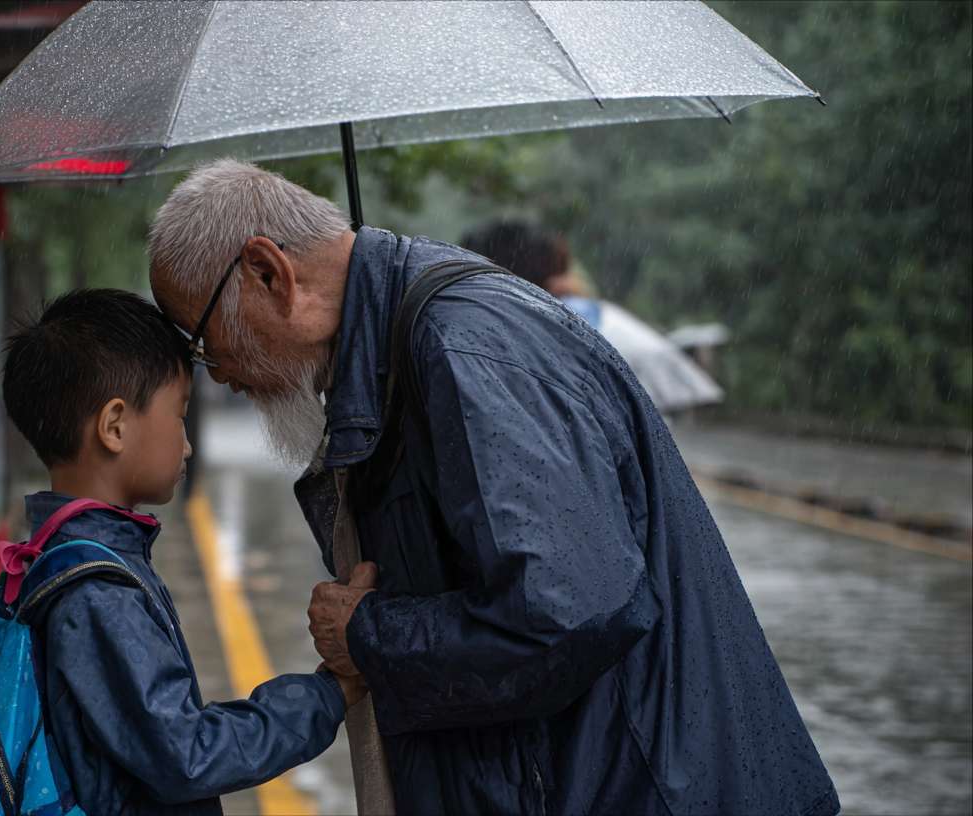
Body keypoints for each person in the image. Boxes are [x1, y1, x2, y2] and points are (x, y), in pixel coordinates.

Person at [147, 159, 839, 816]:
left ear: (269, 273)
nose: (217, 373)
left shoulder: (463, 348)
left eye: (203, 341)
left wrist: (367, 633)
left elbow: (567, 613)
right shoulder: (404, 344)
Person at [1, 288, 364, 815]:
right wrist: (327, 694)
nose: (188, 444)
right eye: (180, 414)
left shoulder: (55, 555)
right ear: (115, 426)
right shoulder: (97, 592)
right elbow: (187, 754)